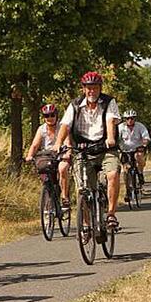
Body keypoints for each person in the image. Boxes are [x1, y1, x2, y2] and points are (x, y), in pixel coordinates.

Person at [54, 71, 122, 228]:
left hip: (105, 148)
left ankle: (111, 214)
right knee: (83, 189)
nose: (92, 91)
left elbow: (110, 120)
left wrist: (110, 138)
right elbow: (65, 125)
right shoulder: (75, 105)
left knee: (112, 175)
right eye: (88, 88)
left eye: (95, 88)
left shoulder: (108, 102)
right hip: (83, 150)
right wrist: (58, 143)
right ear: (83, 89)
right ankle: (86, 224)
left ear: (100, 88)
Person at [25, 103, 72, 208]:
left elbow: (68, 143)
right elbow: (34, 145)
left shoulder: (62, 127)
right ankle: (48, 197)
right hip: (48, 156)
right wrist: (29, 156)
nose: (49, 118)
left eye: (52, 115)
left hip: (61, 155)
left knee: (62, 169)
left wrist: (68, 154)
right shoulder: (41, 129)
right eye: (46, 116)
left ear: (56, 115)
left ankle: (64, 197)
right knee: (44, 171)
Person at [117, 109, 150, 201]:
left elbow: (146, 137)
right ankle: (128, 191)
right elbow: (116, 138)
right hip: (125, 151)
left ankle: (140, 173)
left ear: (134, 119)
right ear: (125, 119)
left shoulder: (140, 126)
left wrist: (143, 144)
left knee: (138, 156)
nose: (130, 120)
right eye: (127, 119)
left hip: (137, 149)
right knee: (126, 170)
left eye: (131, 118)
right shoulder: (120, 127)